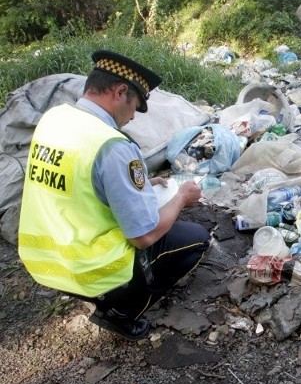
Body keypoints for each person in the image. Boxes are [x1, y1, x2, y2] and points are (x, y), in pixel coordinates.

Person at [18, 50, 211, 340]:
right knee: (196, 237)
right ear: (121, 92)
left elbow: (79, 181)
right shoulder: (113, 145)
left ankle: (100, 295)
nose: (132, 117)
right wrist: (182, 197)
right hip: (90, 267)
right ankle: (123, 312)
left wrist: (144, 182)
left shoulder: (54, 118)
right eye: (135, 106)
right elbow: (143, 236)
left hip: (44, 261)